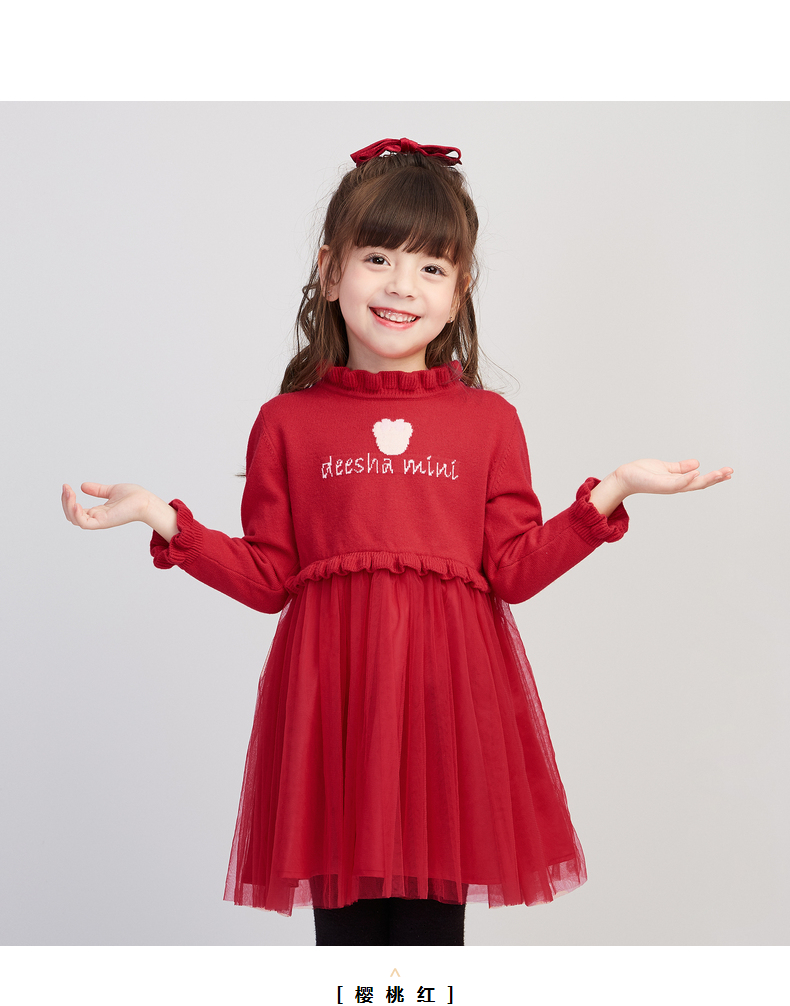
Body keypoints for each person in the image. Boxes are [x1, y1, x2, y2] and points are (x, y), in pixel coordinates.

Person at [61, 137, 733, 947]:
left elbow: (513, 571)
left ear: (460, 289)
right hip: (332, 713)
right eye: (378, 257)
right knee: (346, 951)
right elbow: (270, 577)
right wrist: (163, 518)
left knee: (427, 949)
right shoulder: (288, 423)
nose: (401, 285)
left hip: (445, 715)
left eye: (431, 267)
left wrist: (613, 491)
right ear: (330, 269)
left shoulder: (488, 422)